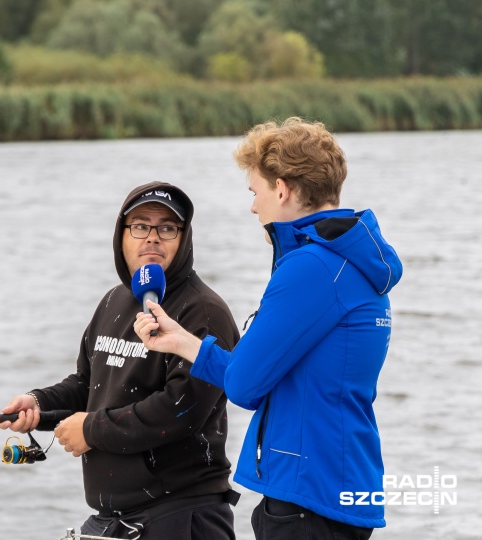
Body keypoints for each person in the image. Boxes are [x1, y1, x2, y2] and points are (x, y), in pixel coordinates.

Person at [134, 117, 402, 539]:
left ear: (282, 189)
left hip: (307, 497)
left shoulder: (312, 268)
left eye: (255, 192)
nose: (253, 207)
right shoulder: (347, 261)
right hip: (336, 484)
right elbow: (266, 377)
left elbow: (244, 387)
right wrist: (182, 342)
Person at [0, 181, 241, 539]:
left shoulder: (203, 311)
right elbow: (88, 385)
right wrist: (38, 403)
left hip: (182, 514)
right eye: (141, 225)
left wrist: (91, 429)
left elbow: (181, 410)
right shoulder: (115, 301)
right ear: (122, 235)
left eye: (167, 228)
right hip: (112, 520)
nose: (152, 238)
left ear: (184, 238)